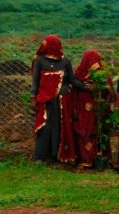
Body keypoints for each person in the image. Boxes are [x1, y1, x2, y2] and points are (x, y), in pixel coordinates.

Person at [30, 35, 90, 163]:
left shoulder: (65, 61)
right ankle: (40, 156)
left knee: (60, 127)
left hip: (62, 101)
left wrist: (86, 87)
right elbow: (35, 81)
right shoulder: (39, 61)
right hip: (45, 100)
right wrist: (33, 98)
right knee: (45, 127)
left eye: (46, 44)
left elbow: (72, 80)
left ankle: (55, 156)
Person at [72, 49, 102, 168]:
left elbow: (108, 87)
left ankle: (92, 159)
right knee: (82, 130)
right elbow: (74, 88)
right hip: (81, 108)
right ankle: (82, 158)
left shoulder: (101, 73)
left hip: (96, 107)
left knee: (93, 131)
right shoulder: (79, 74)